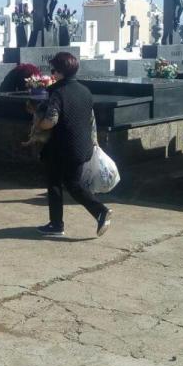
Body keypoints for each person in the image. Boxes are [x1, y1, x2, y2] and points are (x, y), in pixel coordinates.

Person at [35, 52, 112, 237]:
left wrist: (38, 124)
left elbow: (51, 120)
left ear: (60, 71)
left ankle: (58, 224)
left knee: (55, 184)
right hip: (81, 145)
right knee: (73, 183)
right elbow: (91, 119)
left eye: (54, 69)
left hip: (60, 146)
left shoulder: (57, 91)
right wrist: (94, 143)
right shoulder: (85, 90)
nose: (52, 73)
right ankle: (97, 212)